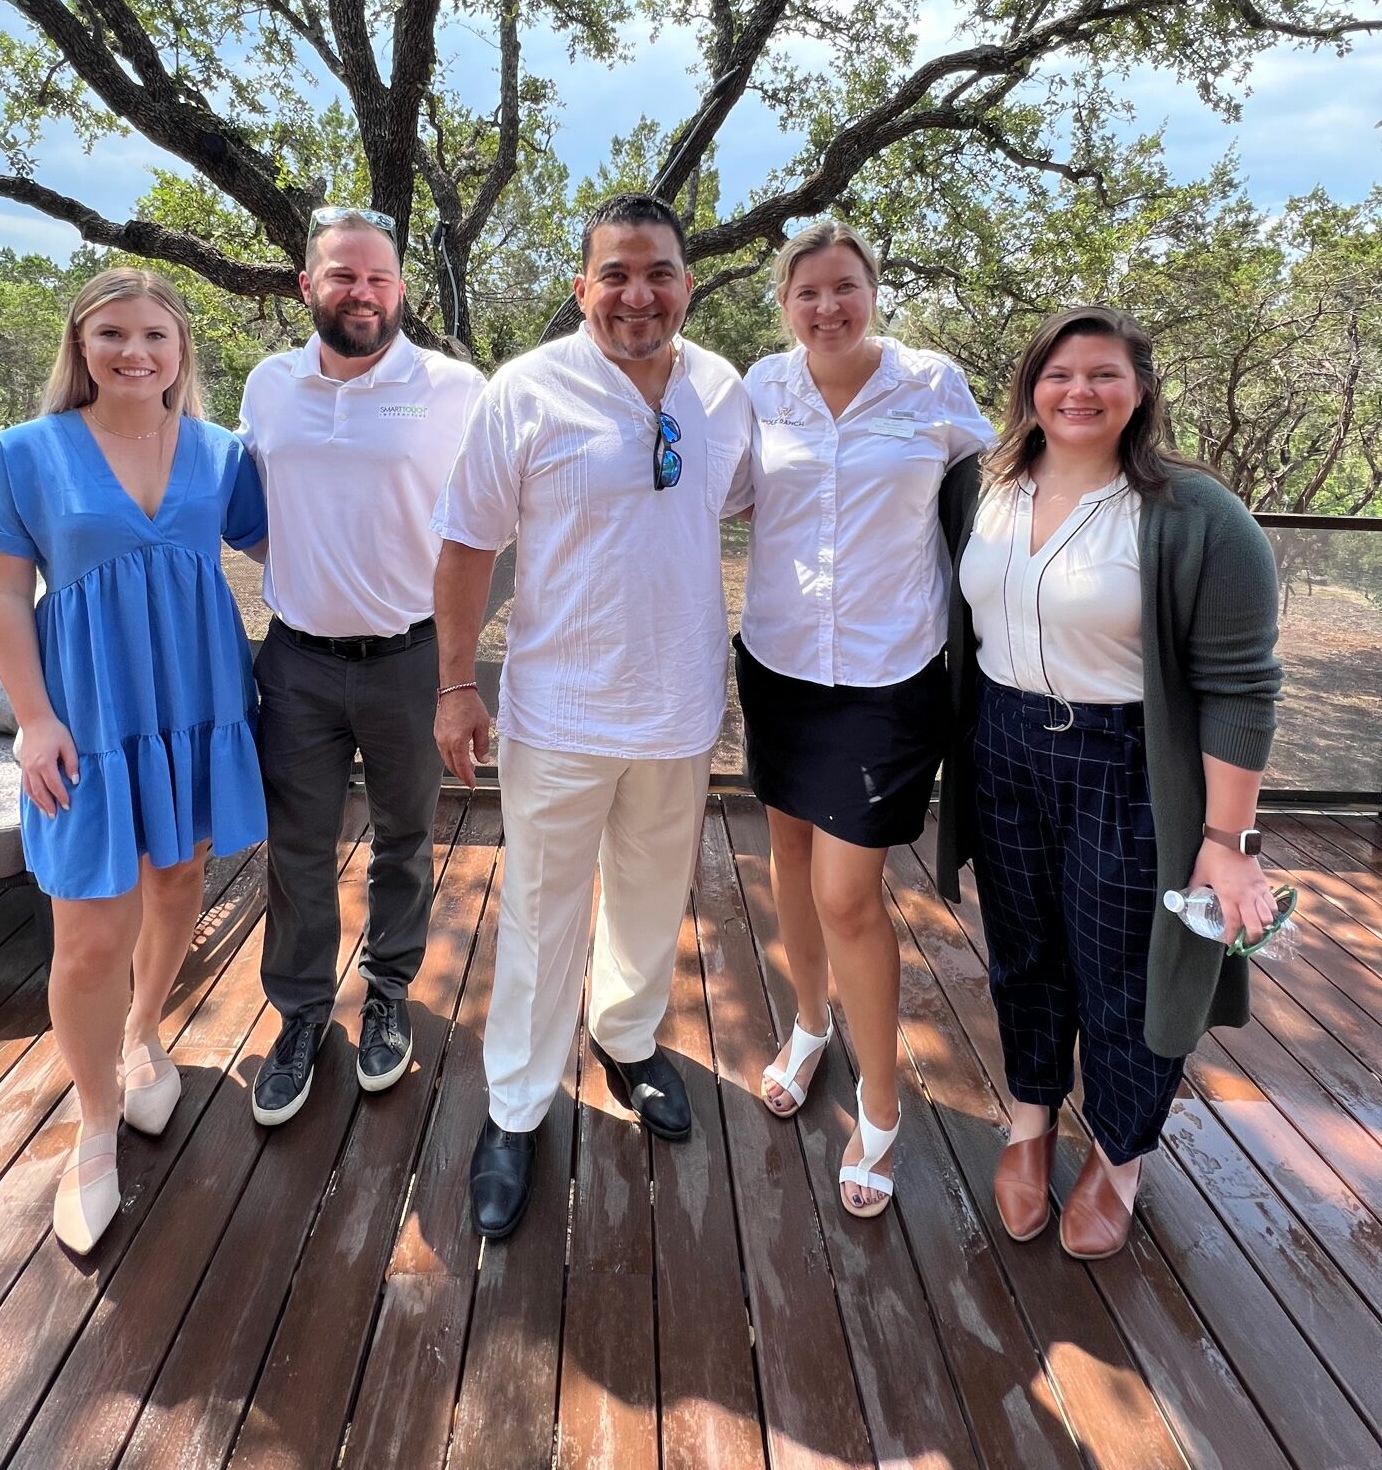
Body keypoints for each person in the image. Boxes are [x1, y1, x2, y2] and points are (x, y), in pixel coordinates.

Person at [432, 192, 752, 1239]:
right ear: (583, 287)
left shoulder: (722, 390)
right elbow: (468, 545)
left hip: (680, 706)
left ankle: (626, 1038)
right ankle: (517, 1106)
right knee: (539, 911)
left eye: (657, 271)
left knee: (656, 897)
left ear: (686, 285)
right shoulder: (524, 392)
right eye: (614, 273)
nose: (637, 293)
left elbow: (763, 501)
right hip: (560, 711)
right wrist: (454, 684)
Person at [937, 305, 1283, 1259]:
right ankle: (1031, 1115)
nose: (1078, 391)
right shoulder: (980, 488)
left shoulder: (1196, 516)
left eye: (1103, 374)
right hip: (1002, 749)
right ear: (1030, 388)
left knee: (1124, 977)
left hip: (1128, 766)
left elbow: (1242, 688)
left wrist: (1227, 843)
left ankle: (1120, 1154)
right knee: (1024, 952)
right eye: (1058, 374)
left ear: (1140, 390)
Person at [0, 269, 268, 1254]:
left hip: (195, 702)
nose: (135, 353)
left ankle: (142, 1035)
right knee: (89, 932)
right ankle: (93, 1125)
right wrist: (35, 719)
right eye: (112, 335)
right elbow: (3, 597)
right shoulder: (24, 454)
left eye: (155, 336)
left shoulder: (224, 456)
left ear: (182, 352)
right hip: (84, 717)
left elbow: (302, 545)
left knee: (179, 878)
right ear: (79, 348)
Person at [733, 221, 993, 1217]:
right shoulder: (762, 387)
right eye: (808, 294)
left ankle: (880, 1108)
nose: (828, 307)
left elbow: (997, 496)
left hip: (889, 676)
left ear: (871, 290)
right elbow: (727, 494)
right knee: (788, 861)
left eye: (844, 288)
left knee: (850, 894)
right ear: (786, 304)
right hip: (780, 662)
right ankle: (808, 1026)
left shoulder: (931, 385)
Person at [239, 208, 485, 1126]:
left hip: (409, 661)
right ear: (307, 285)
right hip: (295, 662)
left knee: (404, 839)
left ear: (402, 291)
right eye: (343, 275)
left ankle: (388, 993)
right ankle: (300, 1017)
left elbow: (493, 523)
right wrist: (308, 566)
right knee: (296, 847)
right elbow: (255, 511)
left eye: (379, 278)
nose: (362, 293)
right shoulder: (268, 387)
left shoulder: (456, 388)